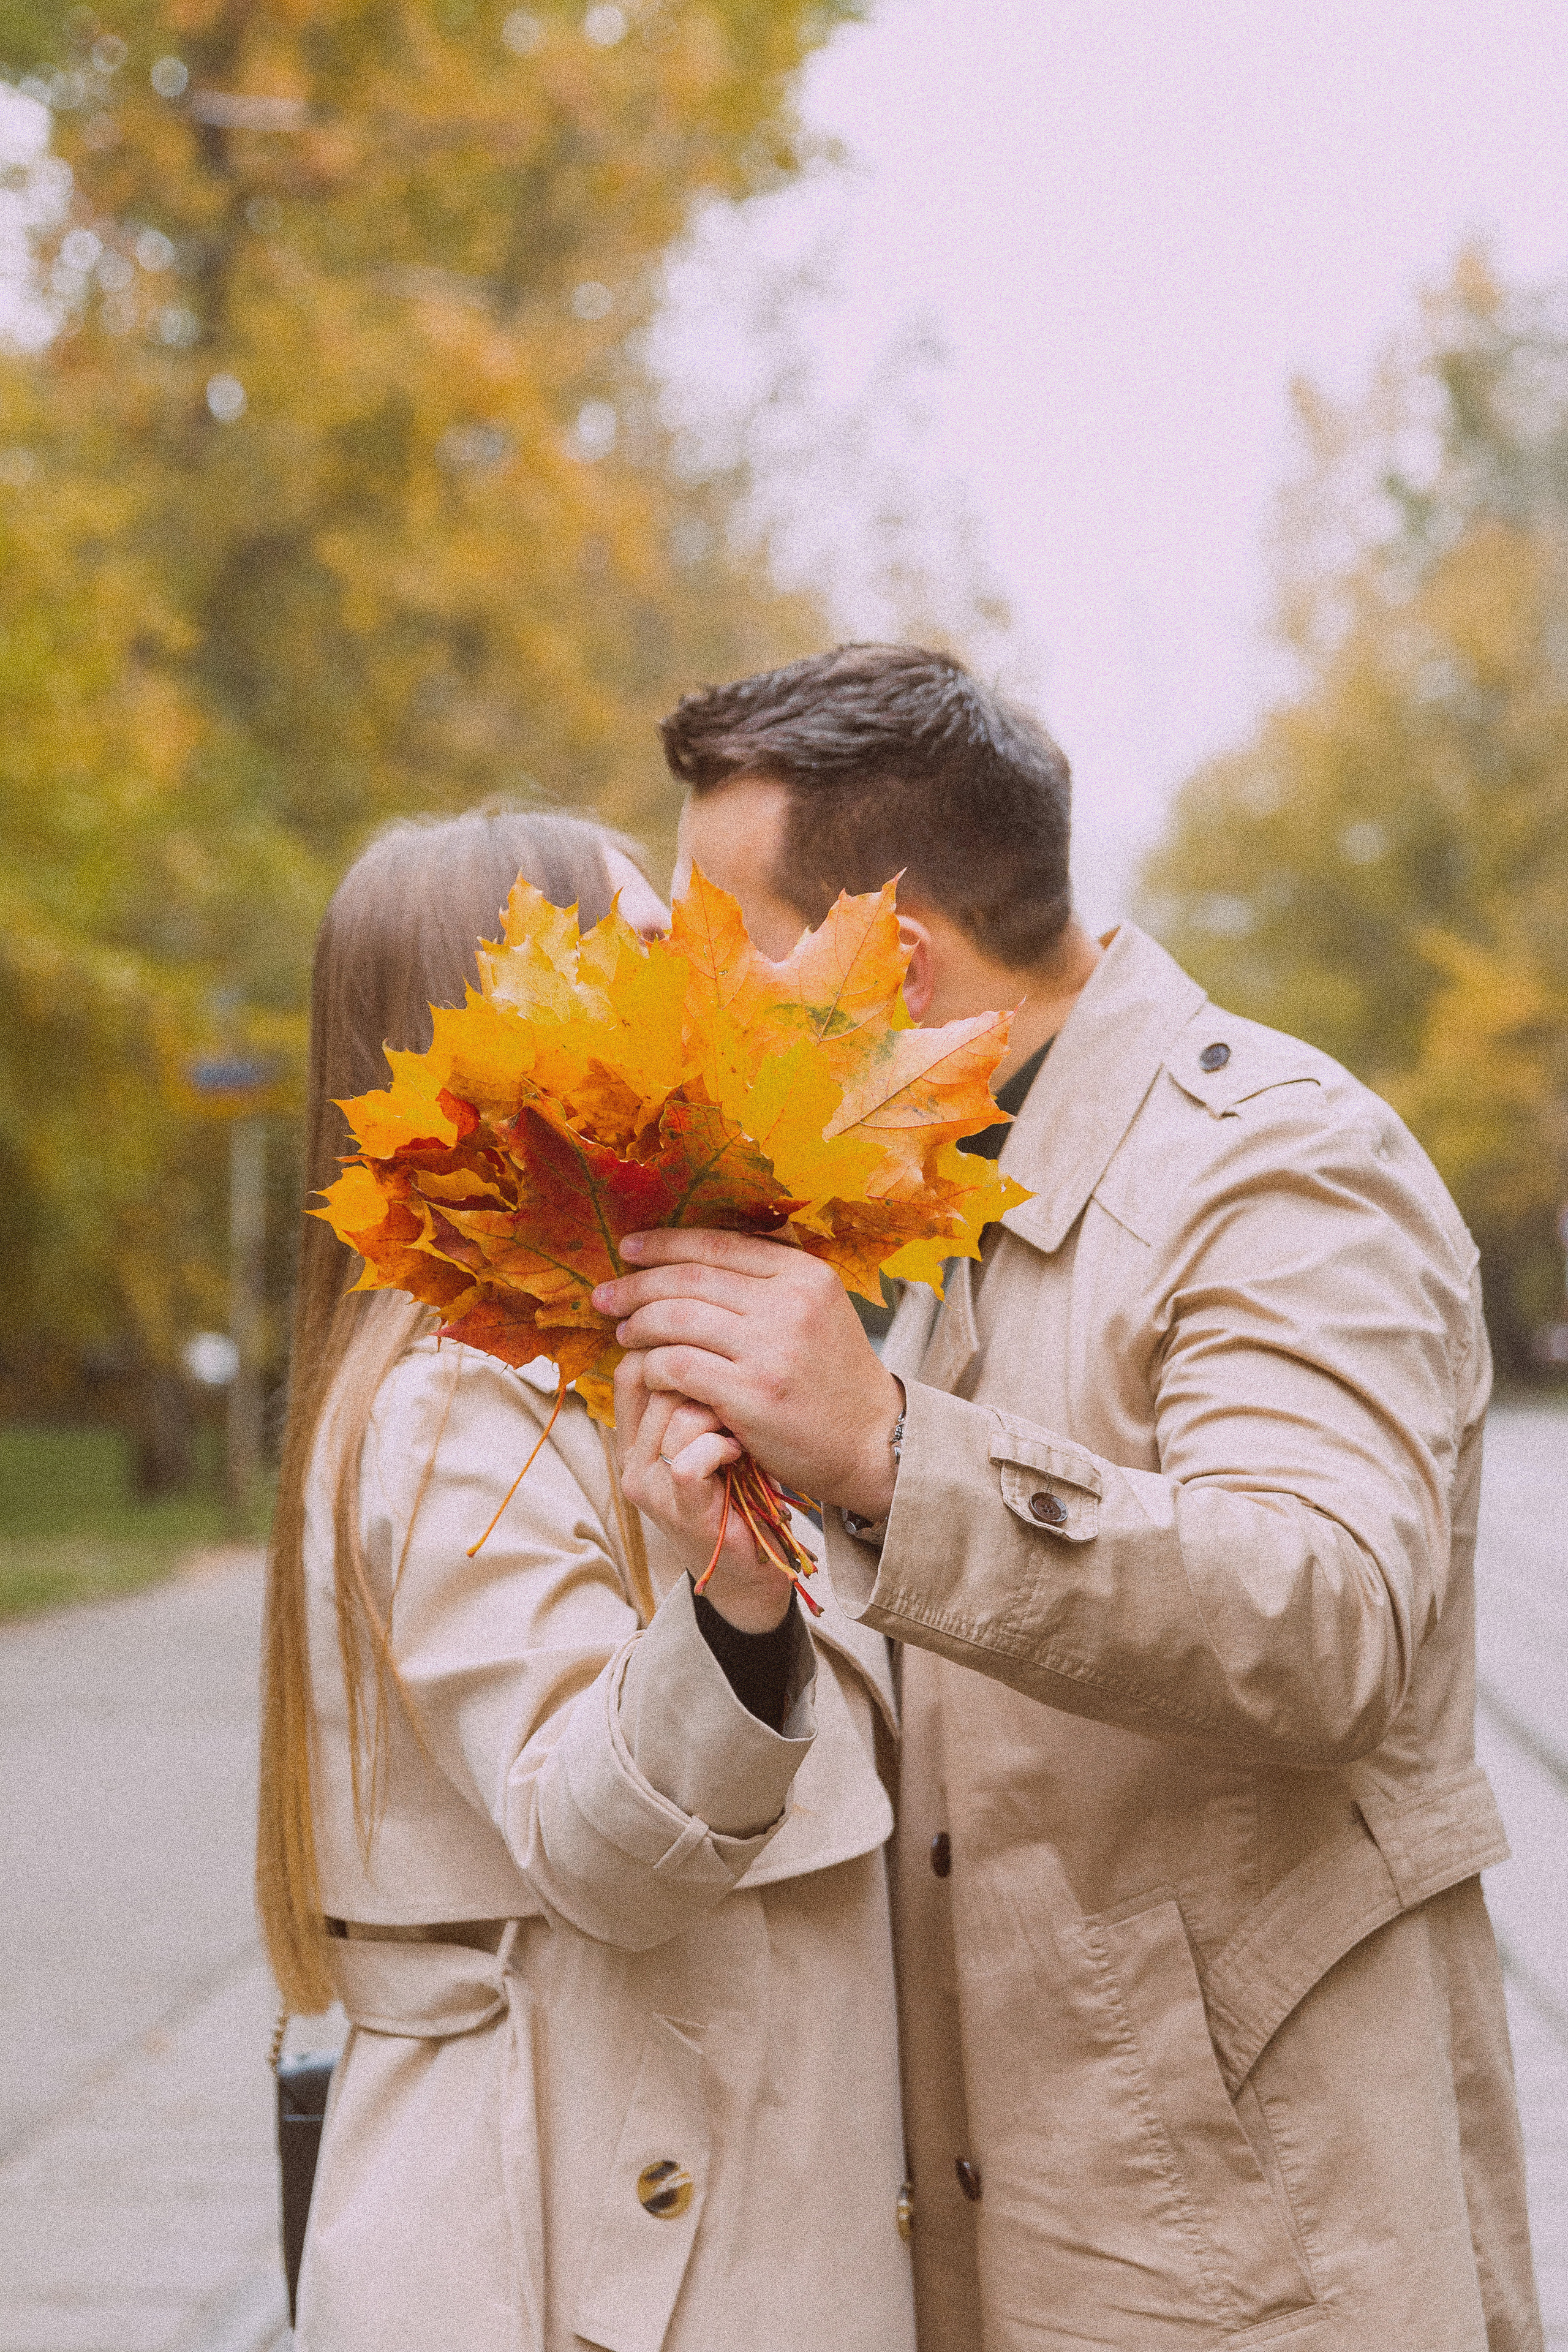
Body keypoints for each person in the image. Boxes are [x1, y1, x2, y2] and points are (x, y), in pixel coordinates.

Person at [594, 646, 1544, 2352]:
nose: (686, 998)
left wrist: (887, 1450)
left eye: (715, 944)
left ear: (886, 951)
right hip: (995, 2239)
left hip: (1264, 2269)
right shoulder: (908, 1198)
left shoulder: (1276, 1165)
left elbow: (1332, 1622)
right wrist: (735, 1589)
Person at [257, 806, 916, 2352]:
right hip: (593, 2258)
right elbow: (593, 1842)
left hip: (680, 2220)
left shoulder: (609, 1359)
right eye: (627, 963)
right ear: (491, 1043)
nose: (695, 1002)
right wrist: (735, 1611)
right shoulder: (446, 1402)